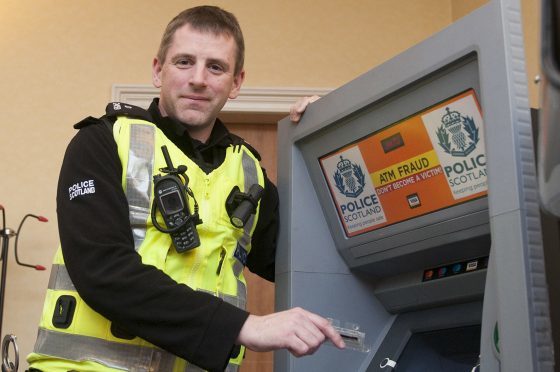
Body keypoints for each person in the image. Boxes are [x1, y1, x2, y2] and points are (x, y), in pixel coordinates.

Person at [27, 5, 343, 372]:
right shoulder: (102, 142)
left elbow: (313, 259)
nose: (198, 79)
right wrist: (243, 326)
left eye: (215, 67)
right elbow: (102, 270)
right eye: (183, 62)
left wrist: (327, 133)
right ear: (158, 71)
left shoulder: (248, 172)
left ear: (236, 82)